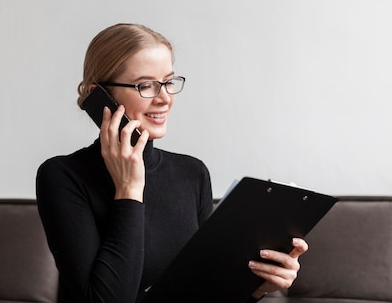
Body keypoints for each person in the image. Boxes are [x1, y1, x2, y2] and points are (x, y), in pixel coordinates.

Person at [36, 23, 308, 303]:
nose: (165, 98)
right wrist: (129, 189)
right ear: (100, 96)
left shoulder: (192, 174)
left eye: (168, 82)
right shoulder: (62, 176)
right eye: (146, 85)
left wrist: (257, 288)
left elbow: (204, 292)